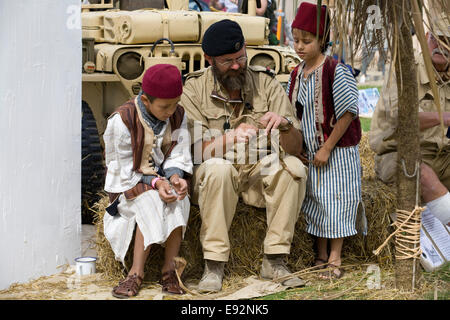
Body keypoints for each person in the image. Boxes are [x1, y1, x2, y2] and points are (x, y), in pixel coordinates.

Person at [180, 19, 308, 293]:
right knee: (218, 168)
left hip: (257, 172)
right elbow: (191, 152)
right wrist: (227, 139)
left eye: (241, 57)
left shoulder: (267, 84)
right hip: (215, 175)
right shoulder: (193, 89)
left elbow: (296, 147)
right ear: (209, 59)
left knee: (294, 167)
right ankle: (213, 265)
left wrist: (284, 125)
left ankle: (275, 261)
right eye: (228, 61)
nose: (237, 66)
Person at [286, 2, 366, 279]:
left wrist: (327, 147)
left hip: (336, 152)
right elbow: (292, 113)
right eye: (296, 40)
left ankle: (335, 258)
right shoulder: (297, 74)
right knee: (316, 202)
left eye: (306, 41)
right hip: (309, 151)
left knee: (336, 201)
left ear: (322, 40)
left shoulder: (336, 70)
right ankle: (320, 254)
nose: (299, 46)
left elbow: (347, 113)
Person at [103, 64, 193, 298]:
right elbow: (121, 169)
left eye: (175, 103)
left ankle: (169, 270)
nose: (171, 111)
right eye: (164, 106)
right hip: (128, 185)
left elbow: (178, 152)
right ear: (145, 100)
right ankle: (136, 273)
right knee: (152, 200)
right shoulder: (122, 120)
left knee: (178, 199)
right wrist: (155, 183)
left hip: (161, 180)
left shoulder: (177, 114)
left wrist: (174, 177)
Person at [369, 15, 450, 226]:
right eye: (437, 39)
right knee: (421, 172)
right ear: (425, 37)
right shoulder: (405, 68)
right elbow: (400, 121)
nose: (442, 47)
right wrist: (444, 118)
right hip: (398, 152)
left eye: (448, 41)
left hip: (442, 155)